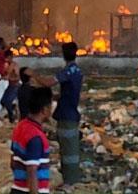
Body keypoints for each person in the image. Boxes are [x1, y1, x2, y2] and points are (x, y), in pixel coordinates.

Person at [51, 41, 85, 187]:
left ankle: (70, 180)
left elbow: (49, 82)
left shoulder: (67, 71)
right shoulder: (77, 70)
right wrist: (57, 97)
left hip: (67, 114)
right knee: (68, 148)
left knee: (68, 149)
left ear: (63, 54)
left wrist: (33, 76)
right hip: (71, 112)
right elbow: (70, 92)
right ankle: (70, 177)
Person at [9, 84, 52, 194]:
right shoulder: (36, 137)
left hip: (17, 188)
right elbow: (32, 171)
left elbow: (13, 161)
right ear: (44, 110)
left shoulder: (20, 126)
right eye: (50, 106)